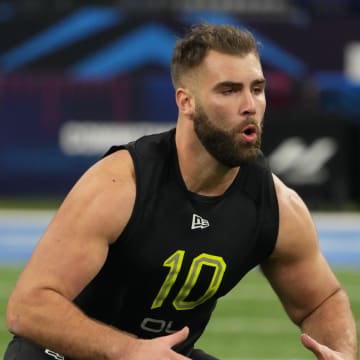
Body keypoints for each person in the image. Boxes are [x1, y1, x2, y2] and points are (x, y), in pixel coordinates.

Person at [4, 23, 358, 360]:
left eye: (258, 88)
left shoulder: (276, 206)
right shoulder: (119, 185)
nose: (250, 105)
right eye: (229, 90)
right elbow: (28, 308)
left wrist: (342, 352)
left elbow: (321, 300)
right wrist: (128, 351)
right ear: (186, 101)